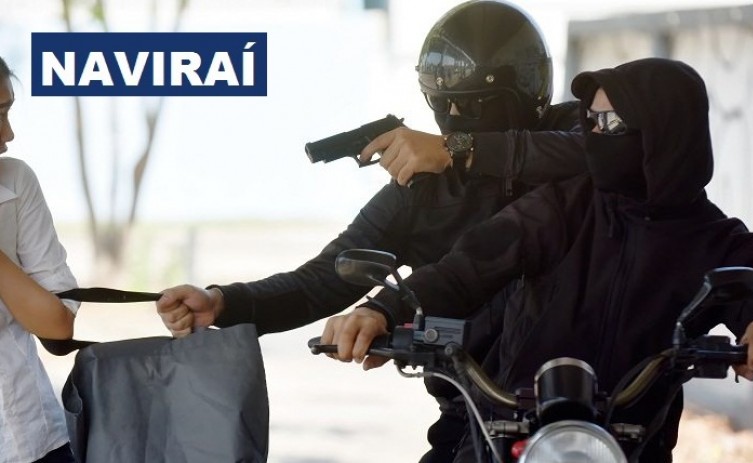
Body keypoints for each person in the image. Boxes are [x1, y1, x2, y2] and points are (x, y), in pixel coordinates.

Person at [157, 1, 585, 461]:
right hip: (473, 412)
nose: (454, 114)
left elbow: (601, 154)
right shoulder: (422, 186)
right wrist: (224, 302)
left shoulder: (573, 136)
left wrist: (459, 149)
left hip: (593, 404)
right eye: (442, 102)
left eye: (475, 103)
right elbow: (322, 279)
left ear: (525, 89)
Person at [319, 57, 753, 462]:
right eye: (591, 121)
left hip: (630, 446)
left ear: (668, 133)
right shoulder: (563, 206)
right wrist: (382, 309)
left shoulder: (724, 245)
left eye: (612, 124)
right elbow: (465, 269)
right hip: (507, 435)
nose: (595, 135)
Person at [0, 56, 80, 463]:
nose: (8, 134)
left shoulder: (16, 181)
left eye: (7, 112)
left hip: (34, 436)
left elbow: (57, 324)